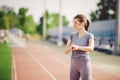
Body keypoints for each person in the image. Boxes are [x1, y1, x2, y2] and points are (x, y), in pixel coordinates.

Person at [65, 14, 94, 80]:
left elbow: (91, 48)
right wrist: (70, 48)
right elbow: (66, 51)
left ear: (82, 23)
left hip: (84, 64)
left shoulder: (89, 35)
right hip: (73, 65)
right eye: (73, 22)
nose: (73, 24)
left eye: (76, 22)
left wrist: (78, 47)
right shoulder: (72, 35)